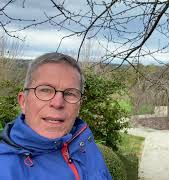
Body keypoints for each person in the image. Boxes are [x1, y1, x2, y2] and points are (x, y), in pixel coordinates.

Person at [0, 52, 112, 180]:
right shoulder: (4, 168)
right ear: (23, 101)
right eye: (45, 90)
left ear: (79, 106)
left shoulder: (85, 146)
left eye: (70, 93)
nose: (57, 103)